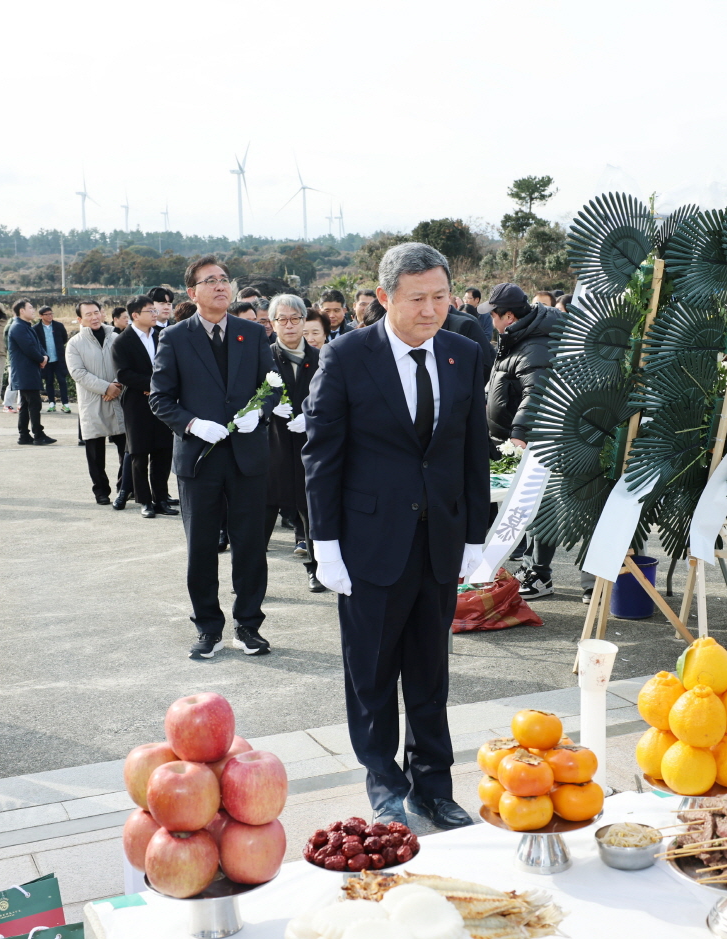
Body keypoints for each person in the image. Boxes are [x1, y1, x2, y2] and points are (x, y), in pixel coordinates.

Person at [302, 242, 489, 829]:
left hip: (438, 539)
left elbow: (470, 451)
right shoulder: (347, 356)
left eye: (441, 296)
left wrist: (477, 537)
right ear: (384, 298)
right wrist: (324, 544)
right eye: (417, 299)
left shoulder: (465, 352)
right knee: (373, 672)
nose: (431, 310)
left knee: (431, 671)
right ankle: (385, 783)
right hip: (367, 544)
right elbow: (322, 454)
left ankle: (435, 785)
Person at [149, 255, 289, 659]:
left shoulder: (251, 332)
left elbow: (272, 387)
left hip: (247, 456)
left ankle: (249, 625)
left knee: (249, 546)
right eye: (210, 281)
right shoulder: (175, 337)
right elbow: (160, 399)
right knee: (202, 547)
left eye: (224, 279)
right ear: (192, 293)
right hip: (199, 458)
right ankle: (208, 627)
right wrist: (193, 425)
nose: (220, 286)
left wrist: (258, 415)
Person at [484, 283, 560, 599]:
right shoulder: (518, 338)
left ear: (509, 316)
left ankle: (539, 575)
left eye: (493, 315)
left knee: (537, 507)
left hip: (532, 445)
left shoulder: (534, 345)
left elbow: (536, 393)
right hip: (511, 442)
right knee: (523, 509)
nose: (490, 321)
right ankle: (529, 568)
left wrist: (519, 436)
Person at [264, 294, 323, 590]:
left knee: (310, 510)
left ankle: (315, 568)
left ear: (304, 321)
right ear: (272, 324)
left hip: (307, 448)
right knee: (262, 513)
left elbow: (333, 402)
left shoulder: (321, 358)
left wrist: (311, 418)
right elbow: (245, 396)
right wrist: (266, 406)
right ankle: (249, 578)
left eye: (295, 319)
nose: (289, 325)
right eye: (281, 319)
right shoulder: (262, 356)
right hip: (270, 446)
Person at [113, 295, 176, 518]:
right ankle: (145, 501)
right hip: (137, 403)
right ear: (135, 315)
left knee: (163, 450)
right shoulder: (122, 341)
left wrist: (161, 387)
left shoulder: (162, 336)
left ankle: (161, 499)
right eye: (150, 311)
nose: (155, 314)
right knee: (139, 453)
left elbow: (171, 365)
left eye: (154, 310)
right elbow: (124, 374)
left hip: (162, 402)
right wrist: (152, 385)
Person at [67, 301, 127, 505]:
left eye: (96, 313)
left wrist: (116, 386)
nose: (94, 317)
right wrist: (105, 388)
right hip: (93, 400)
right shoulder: (75, 344)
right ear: (80, 319)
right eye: (88, 314)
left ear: (102, 314)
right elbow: (78, 373)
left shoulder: (116, 337)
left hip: (118, 397)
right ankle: (101, 491)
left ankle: (125, 487)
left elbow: (126, 365)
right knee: (95, 452)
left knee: (126, 448)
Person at [7, 299, 56, 446]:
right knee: (34, 403)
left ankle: (24, 435)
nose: (33, 310)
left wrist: (44, 357)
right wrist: (42, 359)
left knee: (26, 404)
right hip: (25, 371)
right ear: (22, 310)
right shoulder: (18, 327)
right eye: (30, 307)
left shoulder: (26, 327)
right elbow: (28, 348)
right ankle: (38, 434)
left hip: (29, 370)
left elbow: (38, 345)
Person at [36, 306, 71, 413]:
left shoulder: (59, 326)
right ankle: (52, 403)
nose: (50, 316)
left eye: (51, 314)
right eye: (47, 314)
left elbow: (64, 339)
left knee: (62, 381)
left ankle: (65, 403)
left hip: (58, 359)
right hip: (46, 360)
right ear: (41, 316)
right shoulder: (36, 328)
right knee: (49, 381)